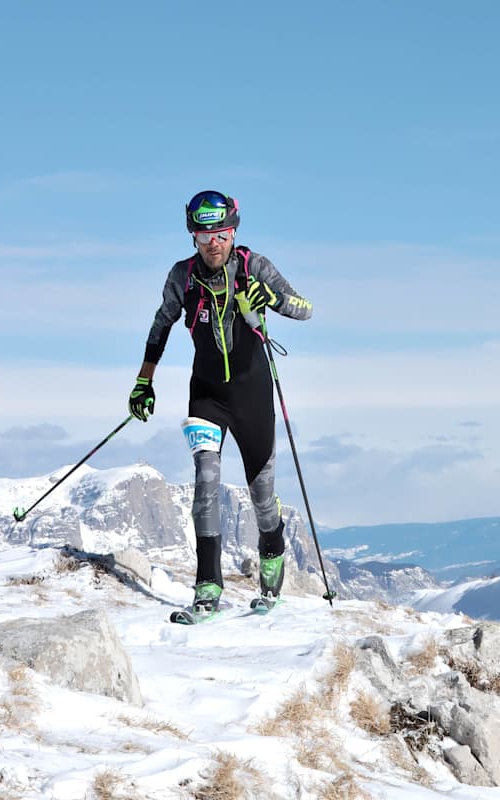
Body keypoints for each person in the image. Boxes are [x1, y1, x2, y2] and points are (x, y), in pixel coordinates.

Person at [129, 190, 313, 615]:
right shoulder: (182, 277)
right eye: (205, 233)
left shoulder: (254, 267)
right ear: (193, 235)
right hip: (207, 395)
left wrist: (275, 300)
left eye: (223, 232)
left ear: (234, 231)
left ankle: (271, 565)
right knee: (205, 485)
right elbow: (160, 328)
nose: (215, 241)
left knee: (262, 496)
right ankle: (207, 588)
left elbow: (306, 308)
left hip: (253, 394)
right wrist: (144, 383)